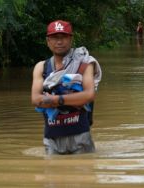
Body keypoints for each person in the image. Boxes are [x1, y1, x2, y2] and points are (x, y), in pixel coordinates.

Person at [31, 20, 102, 155]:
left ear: (70, 39)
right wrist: (73, 99)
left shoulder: (84, 64)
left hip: (80, 136)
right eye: (55, 38)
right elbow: (35, 99)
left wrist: (56, 100)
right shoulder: (41, 67)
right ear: (48, 41)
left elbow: (89, 95)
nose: (59, 42)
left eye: (63, 37)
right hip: (51, 138)